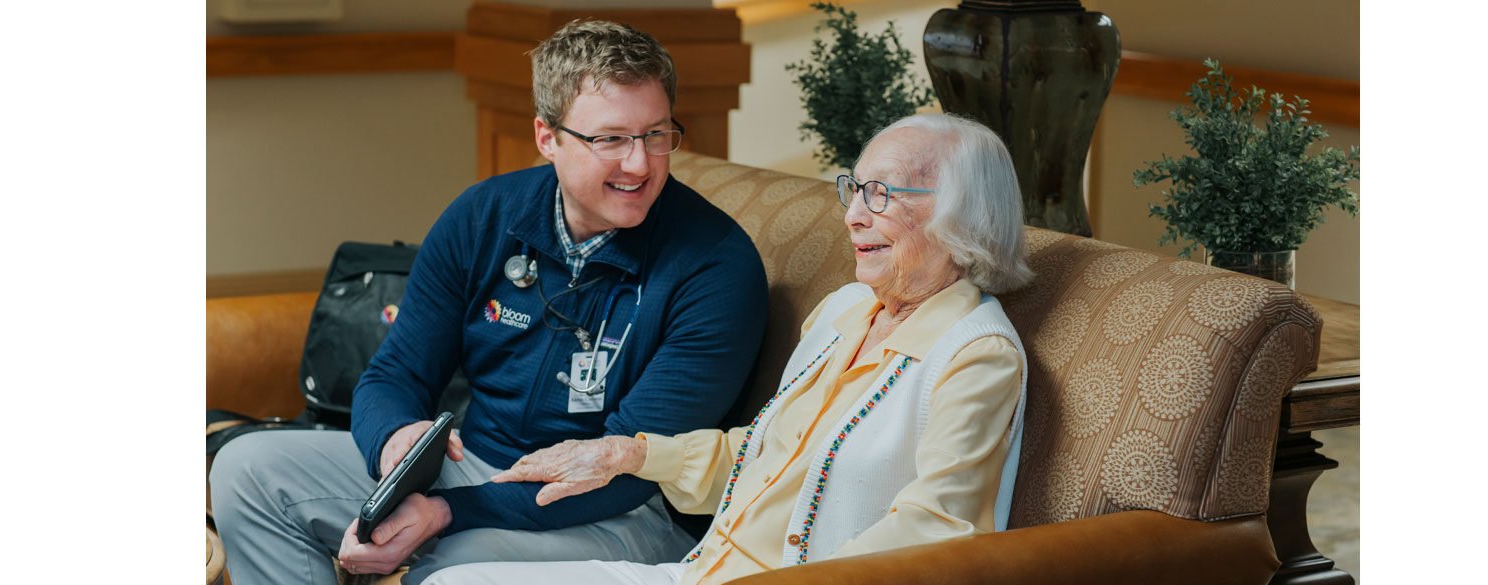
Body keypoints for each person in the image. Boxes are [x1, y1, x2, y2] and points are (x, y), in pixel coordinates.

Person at [209, 20, 769, 585]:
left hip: (620, 507)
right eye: (610, 139)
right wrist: (395, 447)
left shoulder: (715, 266)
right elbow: (395, 373)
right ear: (547, 138)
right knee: (247, 468)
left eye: (655, 134)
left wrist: (448, 513)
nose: (640, 164)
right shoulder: (483, 217)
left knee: (455, 564)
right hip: (472, 468)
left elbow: (632, 469)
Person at [422, 113, 1035, 585]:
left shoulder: (974, 354)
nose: (851, 215)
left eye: (881, 194)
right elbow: (765, 454)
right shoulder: (847, 311)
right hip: (698, 570)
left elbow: (938, 533)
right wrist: (628, 454)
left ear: (961, 215)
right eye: (853, 189)